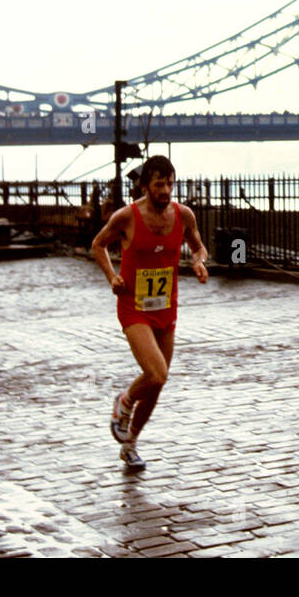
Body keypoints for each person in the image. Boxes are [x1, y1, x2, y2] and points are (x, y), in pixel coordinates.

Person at [91, 156, 208, 472]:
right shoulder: (126, 217)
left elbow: (199, 247)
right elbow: (98, 245)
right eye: (159, 185)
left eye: (170, 184)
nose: (166, 191)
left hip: (166, 308)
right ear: (144, 186)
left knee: (158, 382)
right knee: (155, 372)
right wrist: (111, 276)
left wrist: (198, 261)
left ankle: (130, 445)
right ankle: (124, 402)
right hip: (134, 306)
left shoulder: (183, 215)